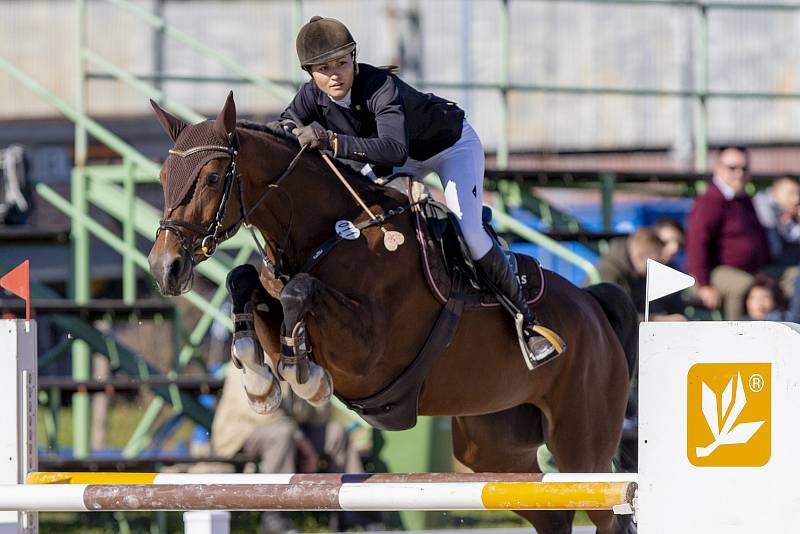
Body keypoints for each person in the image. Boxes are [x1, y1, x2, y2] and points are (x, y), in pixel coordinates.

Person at [276, 16, 564, 367]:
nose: (335, 74)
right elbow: (285, 123)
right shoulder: (311, 97)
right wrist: (289, 130)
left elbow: (394, 149)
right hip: (394, 162)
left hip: (447, 148)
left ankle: (527, 323)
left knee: (469, 232)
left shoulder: (380, 86)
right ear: (310, 73)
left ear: (354, 58)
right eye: (323, 68)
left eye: (342, 62)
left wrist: (329, 140)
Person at [211, 365, 369, 533]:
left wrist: (315, 388)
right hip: (241, 433)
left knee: (336, 433)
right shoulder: (253, 353)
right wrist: (303, 443)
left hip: (291, 431)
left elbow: (316, 416)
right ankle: (275, 515)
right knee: (282, 435)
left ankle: (356, 515)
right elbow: (261, 411)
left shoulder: (297, 356)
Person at [685, 146, 769, 320]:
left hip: (750, 270)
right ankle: (735, 341)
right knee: (742, 285)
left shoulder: (743, 199)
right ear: (718, 168)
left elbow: (757, 238)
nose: (739, 173)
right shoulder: (709, 201)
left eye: (744, 168)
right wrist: (704, 285)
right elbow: (696, 244)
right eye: (732, 168)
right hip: (715, 272)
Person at [595, 228, 685, 321]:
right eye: (655, 262)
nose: (656, 267)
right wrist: (658, 320)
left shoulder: (639, 272)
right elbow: (616, 317)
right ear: (639, 257)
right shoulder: (608, 272)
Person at [753, 176, 800, 320]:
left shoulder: (784, 214)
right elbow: (776, 249)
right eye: (791, 193)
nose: (796, 198)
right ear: (775, 192)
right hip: (763, 269)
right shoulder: (762, 205)